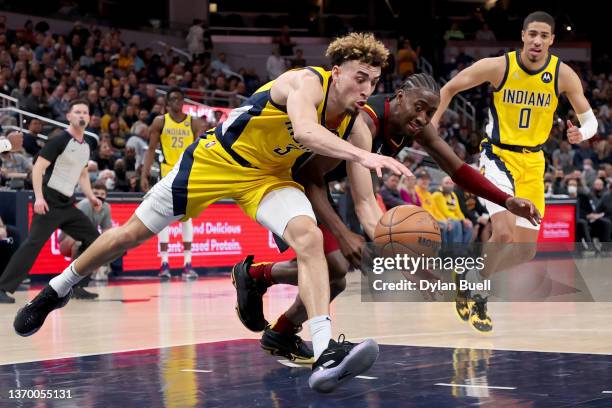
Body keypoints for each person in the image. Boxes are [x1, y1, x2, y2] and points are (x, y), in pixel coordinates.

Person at [14, 33, 410, 393]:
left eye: (374, 82)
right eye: (360, 77)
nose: (366, 89)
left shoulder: (356, 126)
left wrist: (390, 242)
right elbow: (305, 132)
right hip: (217, 160)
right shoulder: (305, 82)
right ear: (337, 72)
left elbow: (362, 201)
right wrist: (364, 155)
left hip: (268, 179)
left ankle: (325, 352)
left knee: (308, 237)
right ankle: (57, 290)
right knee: (131, 234)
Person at [232, 73, 539, 362]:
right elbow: (309, 175)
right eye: (418, 108)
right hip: (289, 180)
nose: (422, 118)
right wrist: (343, 234)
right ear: (400, 96)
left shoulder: (415, 126)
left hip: (320, 184)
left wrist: (507, 200)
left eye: (430, 113)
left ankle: (279, 328)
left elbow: (457, 169)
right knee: (336, 268)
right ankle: (258, 279)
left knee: (336, 278)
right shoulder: (364, 123)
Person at [431, 11, 596, 332]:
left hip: (533, 163)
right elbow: (448, 88)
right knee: (503, 233)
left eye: (543, 36)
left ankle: (469, 276)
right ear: (523, 36)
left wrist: (582, 134)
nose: (537, 40)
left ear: (551, 40)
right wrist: (433, 124)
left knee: (525, 250)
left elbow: (590, 120)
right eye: (531, 34)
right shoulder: (499, 66)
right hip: (497, 156)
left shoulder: (563, 75)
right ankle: (479, 296)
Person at [0, 100, 101, 303]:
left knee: (95, 240)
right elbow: (37, 168)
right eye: (77, 112)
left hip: (67, 204)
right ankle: (2, 287)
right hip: (48, 201)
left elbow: (82, 175)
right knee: (33, 244)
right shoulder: (59, 140)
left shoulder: (86, 145)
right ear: (69, 117)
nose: (81, 115)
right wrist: (38, 197)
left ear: (89, 118)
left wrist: (90, 196)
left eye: (85, 112)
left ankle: (77, 285)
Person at [141, 88, 206, 280]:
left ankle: (187, 264)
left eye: (180, 99)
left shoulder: (193, 122)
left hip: (187, 173)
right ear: (167, 104)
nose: (177, 102)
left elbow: (199, 152)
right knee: (164, 217)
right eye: (173, 99)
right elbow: (151, 149)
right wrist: (144, 174)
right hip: (166, 173)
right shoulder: (160, 121)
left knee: (186, 217)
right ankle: (164, 264)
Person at [58, 183, 113, 281]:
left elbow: (106, 232)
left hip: (87, 237)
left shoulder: (106, 207)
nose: (99, 196)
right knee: (80, 243)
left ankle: (101, 271)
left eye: (102, 194)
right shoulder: (84, 205)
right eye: (95, 193)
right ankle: (73, 275)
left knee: (108, 241)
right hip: (67, 240)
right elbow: (80, 233)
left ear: (106, 196)